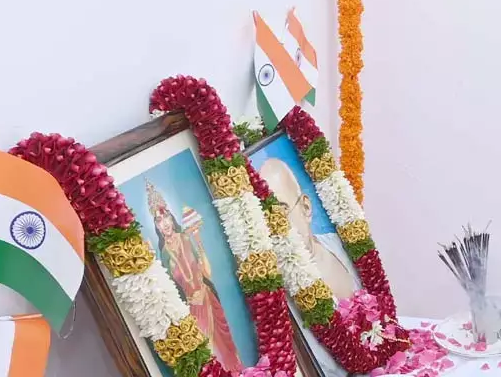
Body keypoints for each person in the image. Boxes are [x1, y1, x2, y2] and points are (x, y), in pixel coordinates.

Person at [147, 181, 245, 372]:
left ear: (171, 217)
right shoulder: (165, 254)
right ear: (157, 226)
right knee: (208, 353)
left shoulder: (186, 238)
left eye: (166, 217)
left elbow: (207, 273)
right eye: (159, 221)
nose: (164, 223)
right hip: (192, 308)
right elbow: (171, 290)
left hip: (208, 298)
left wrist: (198, 240)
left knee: (225, 344)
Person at [259, 158, 362, 300]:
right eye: (266, 217)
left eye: (282, 211)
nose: (275, 225)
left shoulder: (341, 243)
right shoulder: (278, 290)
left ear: (305, 208)